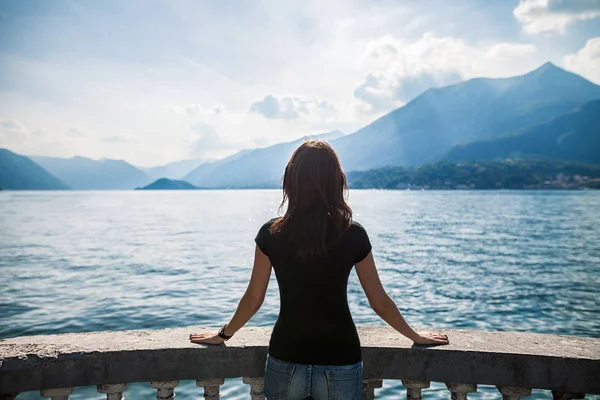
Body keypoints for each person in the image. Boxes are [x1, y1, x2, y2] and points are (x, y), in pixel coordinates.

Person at [190, 140, 449, 400]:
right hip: (340, 358)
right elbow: (379, 301)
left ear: (291, 181)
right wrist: (415, 335)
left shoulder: (272, 233)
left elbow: (253, 299)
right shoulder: (353, 233)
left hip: (287, 356)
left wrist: (224, 334)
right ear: (335, 181)